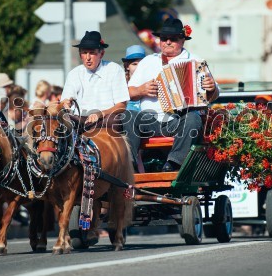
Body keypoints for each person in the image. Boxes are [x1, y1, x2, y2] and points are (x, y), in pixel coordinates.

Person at [124, 18, 219, 172]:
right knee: (128, 115)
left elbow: (214, 94)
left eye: (173, 39)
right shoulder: (148, 61)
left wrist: (211, 87)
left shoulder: (195, 61)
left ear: (182, 40)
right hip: (150, 120)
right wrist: (141, 90)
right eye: (164, 38)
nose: (167, 42)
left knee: (193, 118)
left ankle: (174, 162)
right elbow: (127, 93)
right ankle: (130, 164)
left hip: (177, 121)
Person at [60, 31, 129, 127]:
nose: (88, 57)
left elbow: (121, 106)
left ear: (101, 54)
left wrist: (101, 113)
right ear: (80, 55)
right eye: (84, 53)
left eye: (92, 53)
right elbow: (64, 101)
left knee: (115, 121)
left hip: (105, 121)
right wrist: (66, 104)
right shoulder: (74, 74)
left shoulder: (114, 69)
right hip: (79, 121)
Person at [122, 45, 146, 112]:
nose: (138, 67)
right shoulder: (121, 85)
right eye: (134, 64)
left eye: (141, 64)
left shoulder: (151, 83)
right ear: (127, 66)